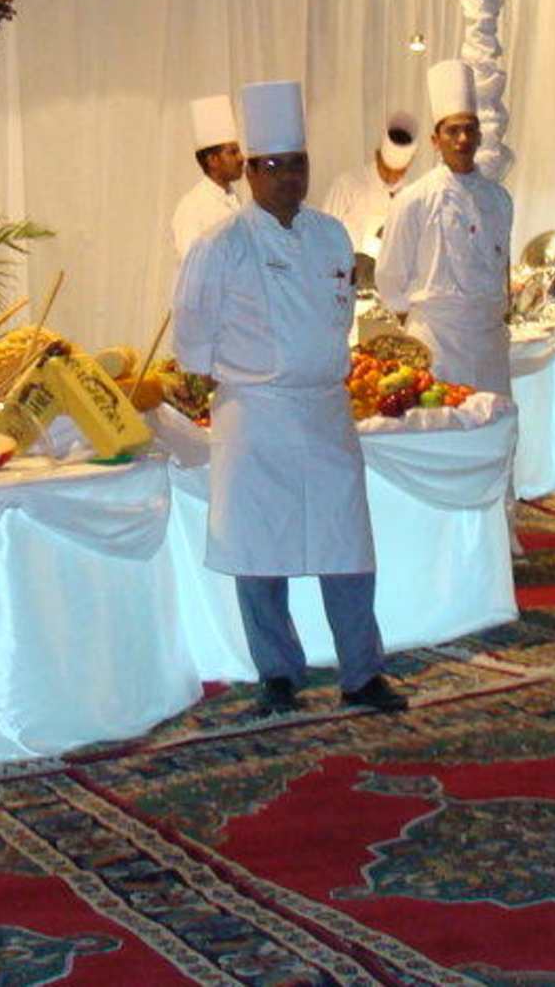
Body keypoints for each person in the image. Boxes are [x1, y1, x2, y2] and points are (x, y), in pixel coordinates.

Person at [172, 79, 407, 717]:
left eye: (297, 164)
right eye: (273, 166)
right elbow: (192, 328)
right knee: (260, 552)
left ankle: (362, 673)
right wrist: (207, 378)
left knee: (347, 544)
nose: (288, 178)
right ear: (250, 171)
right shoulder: (221, 244)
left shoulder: (331, 235)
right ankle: (277, 673)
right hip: (255, 413)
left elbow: (341, 312)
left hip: (325, 409)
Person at [374, 61, 514, 399]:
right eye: (453, 131)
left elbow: (502, 270)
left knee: (494, 424)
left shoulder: (499, 199)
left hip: (490, 344)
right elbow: (389, 278)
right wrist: (426, 320)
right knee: (443, 425)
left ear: (480, 135)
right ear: (436, 140)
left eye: (470, 129)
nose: (462, 139)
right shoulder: (414, 199)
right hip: (438, 343)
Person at [319, 110, 417, 260]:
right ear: (377, 156)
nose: (392, 178)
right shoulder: (347, 185)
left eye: (399, 173)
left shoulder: (411, 195)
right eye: (386, 170)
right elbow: (323, 236)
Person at [170, 94, 243, 261]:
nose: (241, 158)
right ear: (212, 160)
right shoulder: (192, 206)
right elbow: (193, 263)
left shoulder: (235, 200)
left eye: (238, 151)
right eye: (232, 153)